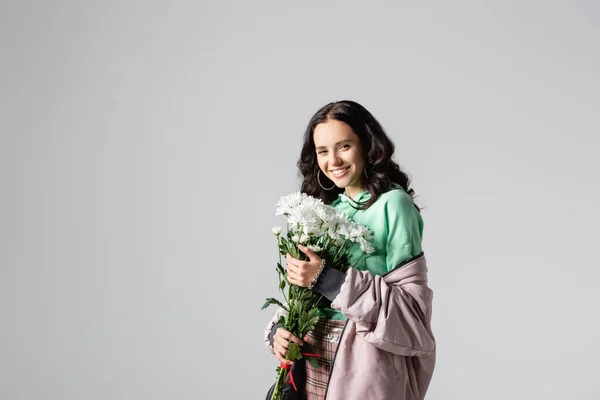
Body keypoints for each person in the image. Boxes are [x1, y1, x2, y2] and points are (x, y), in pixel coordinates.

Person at [263, 100, 435, 400]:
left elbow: (413, 323)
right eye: (323, 151)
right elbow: (304, 297)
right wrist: (280, 329)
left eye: (344, 146)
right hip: (311, 367)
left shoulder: (394, 207)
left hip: (364, 374)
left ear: (367, 146)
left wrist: (331, 279)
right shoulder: (324, 208)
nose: (333, 161)